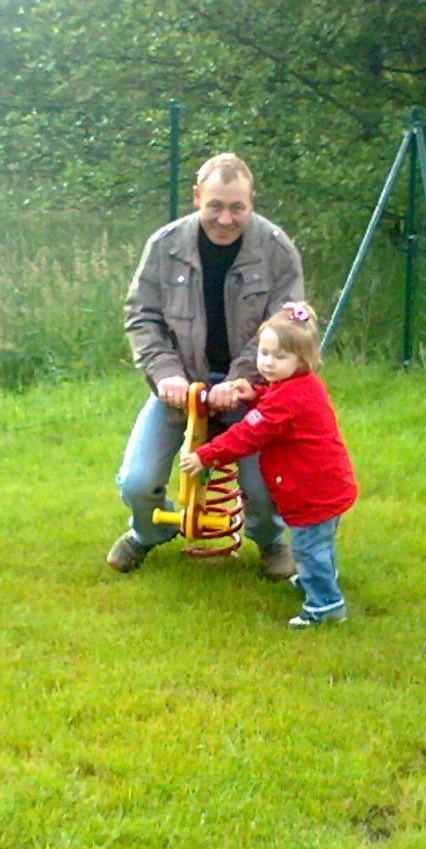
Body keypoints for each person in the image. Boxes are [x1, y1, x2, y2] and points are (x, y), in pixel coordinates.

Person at [108, 153, 304, 578]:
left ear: (252, 202)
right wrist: (166, 374)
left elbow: (286, 324)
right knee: (136, 482)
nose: (225, 218)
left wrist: (240, 380)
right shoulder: (165, 246)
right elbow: (142, 316)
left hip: (253, 392)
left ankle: (270, 541)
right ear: (197, 197)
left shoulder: (275, 249)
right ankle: (148, 532)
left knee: (265, 483)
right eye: (215, 205)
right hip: (183, 384)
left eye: (238, 207)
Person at [180, 302, 357, 629]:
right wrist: (256, 393)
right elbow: (277, 406)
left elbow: (249, 434)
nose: (268, 362)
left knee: (308, 547)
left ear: (302, 361)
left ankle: (325, 606)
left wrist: (206, 455)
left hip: (312, 491)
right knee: (319, 543)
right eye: (264, 353)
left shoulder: (287, 397)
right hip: (328, 484)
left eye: (279, 357)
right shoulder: (301, 385)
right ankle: (315, 580)